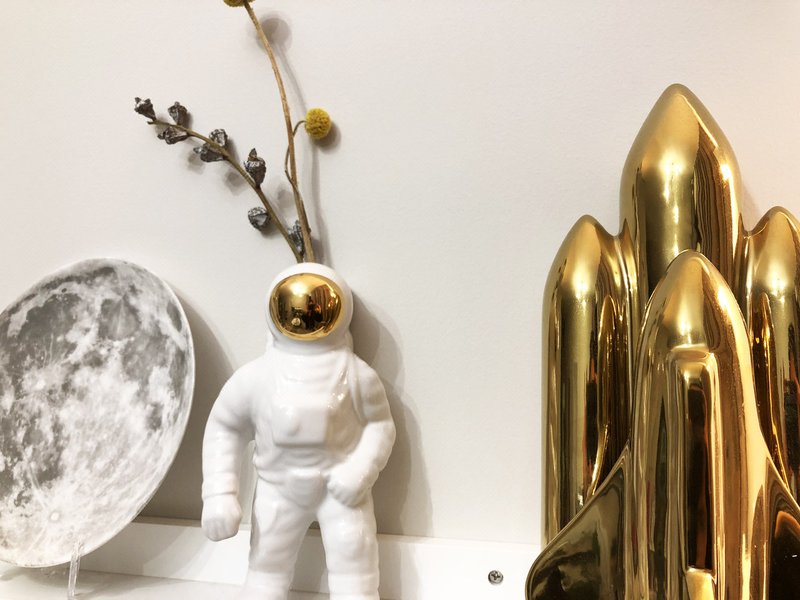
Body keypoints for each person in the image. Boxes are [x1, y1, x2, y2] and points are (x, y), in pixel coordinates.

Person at [201, 262, 396, 600]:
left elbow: (380, 426)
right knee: (266, 570)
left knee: (355, 569)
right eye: (293, 307)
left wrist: (360, 471)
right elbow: (225, 426)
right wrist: (218, 494)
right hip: (278, 489)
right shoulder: (257, 377)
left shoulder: (357, 376)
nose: (305, 316)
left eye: (317, 307)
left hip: (340, 491)